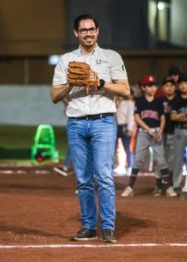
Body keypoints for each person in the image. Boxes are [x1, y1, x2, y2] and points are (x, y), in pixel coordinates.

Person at [50, 14, 129, 243]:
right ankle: (88, 226)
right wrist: (71, 84)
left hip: (104, 121)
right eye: (83, 30)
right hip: (76, 122)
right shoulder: (66, 60)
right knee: (83, 179)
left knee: (104, 177)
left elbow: (125, 90)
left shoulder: (111, 57)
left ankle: (108, 227)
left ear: (98, 31)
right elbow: (55, 96)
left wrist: (100, 83)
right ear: (76, 33)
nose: (88, 33)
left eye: (92, 29)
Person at [121, 75, 174, 198]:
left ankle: (168, 187)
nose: (153, 88)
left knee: (161, 160)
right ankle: (130, 187)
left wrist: (160, 131)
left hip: (156, 132)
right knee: (138, 159)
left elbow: (162, 117)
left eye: (154, 85)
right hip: (144, 133)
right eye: (149, 86)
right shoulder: (139, 101)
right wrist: (148, 129)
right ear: (144, 88)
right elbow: (137, 118)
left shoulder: (159, 100)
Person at [170, 73, 187, 193]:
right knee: (178, 159)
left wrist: (181, 116)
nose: (183, 85)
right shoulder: (176, 99)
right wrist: (186, 116)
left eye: (186, 83)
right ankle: (176, 184)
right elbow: (173, 117)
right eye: (181, 83)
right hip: (179, 130)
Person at [114, 92, 135, 175]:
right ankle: (115, 166)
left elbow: (130, 116)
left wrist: (130, 128)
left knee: (127, 148)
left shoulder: (129, 103)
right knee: (113, 148)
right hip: (115, 126)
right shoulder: (114, 102)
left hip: (124, 126)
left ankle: (130, 167)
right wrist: (116, 104)